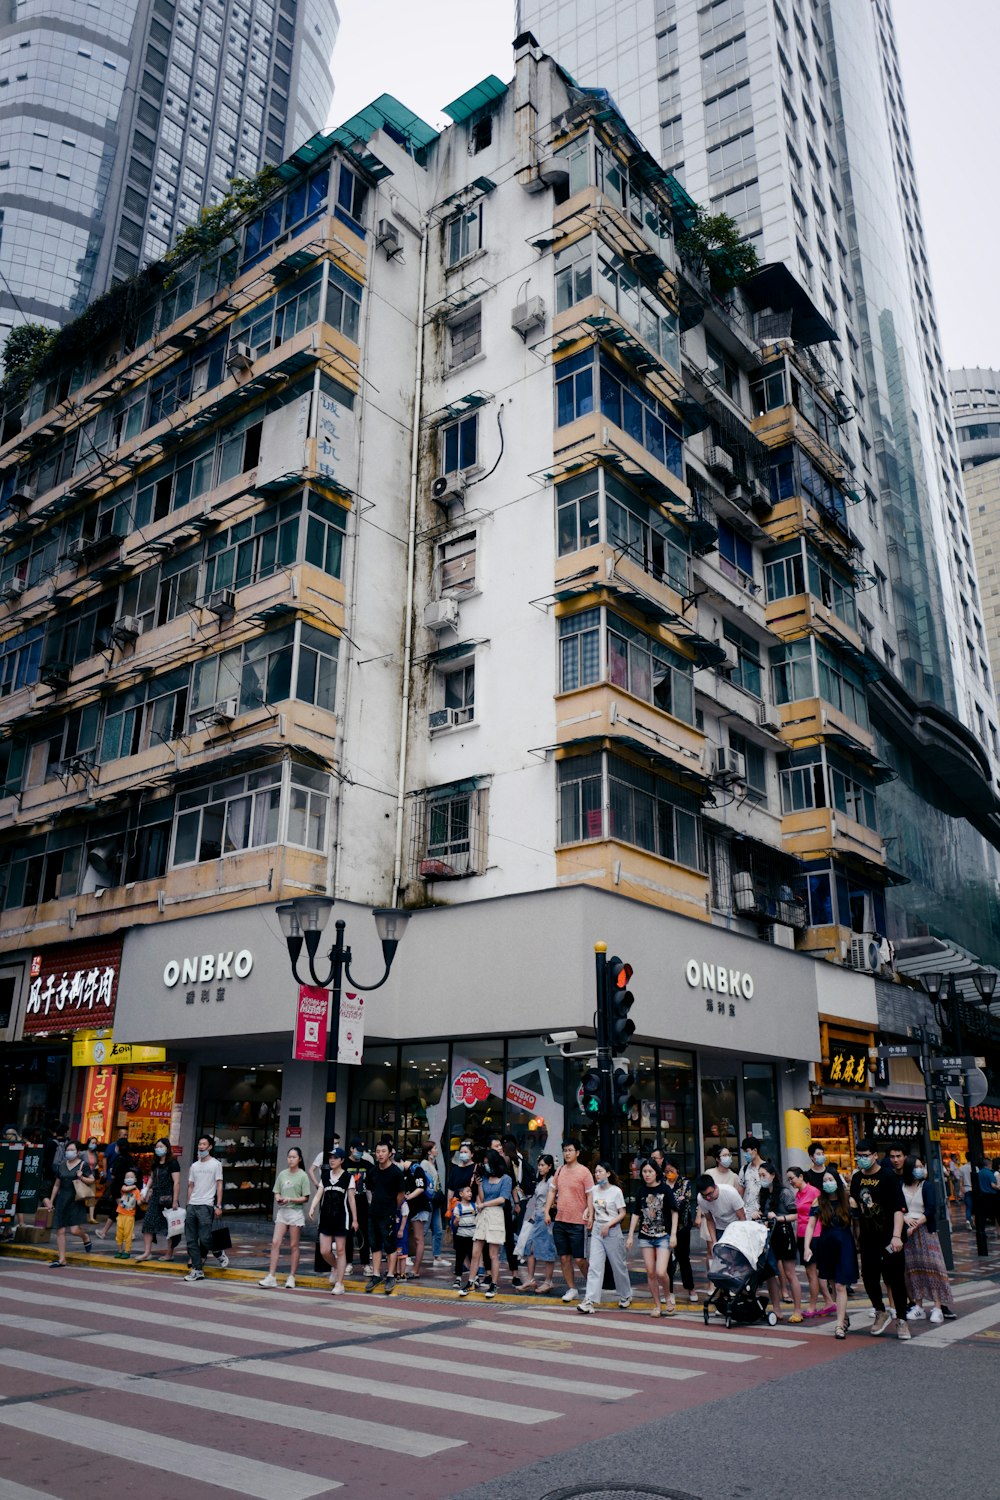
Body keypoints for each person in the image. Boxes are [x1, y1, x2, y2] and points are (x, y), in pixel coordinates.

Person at [849, 1135, 909, 1339]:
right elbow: (856, 1205)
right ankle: (880, 1311)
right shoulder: (857, 1178)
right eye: (859, 1156)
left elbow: (898, 1209)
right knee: (869, 1277)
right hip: (867, 1238)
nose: (862, 1159)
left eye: (865, 1155)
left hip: (890, 1238)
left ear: (875, 1155)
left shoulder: (888, 1177)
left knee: (895, 1279)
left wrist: (896, 1236)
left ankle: (902, 1320)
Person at [804, 1167, 858, 1338]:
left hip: (845, 1244)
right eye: (825, 1181)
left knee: (841, 1285)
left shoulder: (849, 1201)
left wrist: (859, 1245)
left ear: (838, 1181)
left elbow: (857, 1226)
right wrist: (806, 1247)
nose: (828, 1183)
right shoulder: (818, 1202)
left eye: (831, 1180)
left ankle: (839, 1325)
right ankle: (844, 1317)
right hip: (826, 1245)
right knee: (834, 1283)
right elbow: (810, 1225)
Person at [902, 1154, 953, 1324]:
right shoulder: (901, 1187)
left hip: (925, 1231)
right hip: (908, 1234)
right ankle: (918, 1306)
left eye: (921, 1165)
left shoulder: (927, 1185)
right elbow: (897, 1209)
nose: (920, 1169)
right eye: (916, 1166)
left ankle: (938, 1307)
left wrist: (916, 1223)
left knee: (934, 1268)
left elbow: (932, 1208)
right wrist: (904, 1220)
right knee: (914, 1269)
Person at [626, 1158, 678, 1316]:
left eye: (650, 1171)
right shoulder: (641, 1191)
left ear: (656, 1173)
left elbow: (674, 1211)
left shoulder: (665, 1189)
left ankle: (668, 1297)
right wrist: (630, 1236)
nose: (647, 1175)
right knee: (650, 1272)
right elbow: (635, 1214)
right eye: (644, 1172)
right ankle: (657, 1305)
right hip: (645, 1236)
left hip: (663, 1236)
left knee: (661, 1272)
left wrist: (674, 1234)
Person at [544, 1139, 594, 1303]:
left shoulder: (585, 1172)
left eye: (570, 1150)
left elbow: (590, 1196)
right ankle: (572, 1288)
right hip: (560, 1220)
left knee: (580, 1259)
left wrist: (590, 1215)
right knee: (564, 1258)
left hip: (578, 1222)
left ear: (577, 1152)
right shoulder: (559, 1171)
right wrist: (547, 1212)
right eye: (565, 1150)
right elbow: (552, 1192)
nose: (567, 1153)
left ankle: (592, 1286)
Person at [579, 1161, 632, 1314]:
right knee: (594, 1266)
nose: (597, 1174)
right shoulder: (594, 1190)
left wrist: (609, 1225)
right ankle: (589, 1300)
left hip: (612, 1231)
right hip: (597, 1230)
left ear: (608, 1174)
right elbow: (590, 1207)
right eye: (596, 1172)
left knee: (618, 1265)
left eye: (600, 1171)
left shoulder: (616, 1191)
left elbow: (622, 1213)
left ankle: (625, 1295)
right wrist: (587, 1213)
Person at [460, 1148, 512, 1299]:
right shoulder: (485, 1177)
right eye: (484, 1163)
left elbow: (503, 1199)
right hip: (483, 1215)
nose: (486, 1165)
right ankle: (471, 1281)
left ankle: (494, 1284)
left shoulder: (506, 1179)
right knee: (476, 1252)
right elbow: (481, 1198)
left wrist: (484, 1205)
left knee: (493, 1254)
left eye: (488, 1162)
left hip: (495, 1214)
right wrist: (480, 1186)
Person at [258, 1146, 310, 1289]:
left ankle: (292, 1276)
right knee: (275, 1242)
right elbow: (276, 1192)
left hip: (295, 1213)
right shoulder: (282, 1174)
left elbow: (305, 1198)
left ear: (299, 1159)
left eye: (294, 1157)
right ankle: (271, 1276)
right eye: (289, 1157)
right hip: (282, 1212)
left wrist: (290, 1199)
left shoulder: (303, 1175)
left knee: (294, 1245)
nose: (291, 1159)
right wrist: (279, 1198)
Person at [310, 1145, 357, 1294]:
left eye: (335, 1158)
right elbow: (319, 1194)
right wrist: (312, 1207)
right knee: (324, 1251)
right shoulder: (325, 1176)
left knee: (341, 1250)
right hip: (325, 1217)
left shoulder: (348, 1177)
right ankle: (336, 1267)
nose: (332, 1160)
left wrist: (355, 1219)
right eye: (330, 1157)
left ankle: (340, 1283)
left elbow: (351, 1200)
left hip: (341, 1218)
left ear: (342, 1160)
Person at [786, 1163, 832, 1318]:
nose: (790, 1182)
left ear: (801, 1177)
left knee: (812, 1272)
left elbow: (820, 1215)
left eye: (792, 1178)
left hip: (813, 1235)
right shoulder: (798, 1194)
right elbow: (799, 1216)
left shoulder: (814, 1192)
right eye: (788, 1180)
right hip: (801, 1235)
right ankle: (829, 1302)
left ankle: (812, 1306)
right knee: (812, 1272)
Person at [760, 1160, 802, 1321]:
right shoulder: (763, 1193)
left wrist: (779, 1218)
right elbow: (764, 1213)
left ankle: (797, 1310)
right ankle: (776, 1309)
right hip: (769, 1236)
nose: (761, 1178)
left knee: (790, 1273)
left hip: (784, 1234)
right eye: (760, 1176)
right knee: (770, 1273)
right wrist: (760, 1215)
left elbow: (796, 1214)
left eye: (764, 1175)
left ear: (772, 1175)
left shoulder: (784, 1193)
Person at [42, 1138, 94, 1265]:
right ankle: (62, 1259)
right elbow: (56, 1185)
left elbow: (92, 1180)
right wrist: (52, 1201)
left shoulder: (83, 1165)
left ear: (78, 1152)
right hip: (62, 1199)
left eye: (72, 1150)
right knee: (60, 1230)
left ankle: (85, 1237)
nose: (69, 1152)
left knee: (74, 1230)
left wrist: (81, 1177)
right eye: (67, 1150)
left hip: (75, 1199)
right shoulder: (62, 1165)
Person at [183, 1134, 226, 1283]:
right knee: (190, 1240)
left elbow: (219, 1185)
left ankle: (218, 1251)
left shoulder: (215, 1164)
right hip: (192, 1205)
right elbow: (190, 1186)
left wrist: (218, 1205)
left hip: (206, 1205)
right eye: (199, 1144)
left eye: (204, 1144)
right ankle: (197, 1269)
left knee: (205, 1237)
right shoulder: (194, 1166)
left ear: (210, 1147)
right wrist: (188, 1204)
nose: (201, 1147)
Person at [365, 1140, 405, 1294]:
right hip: (373, 1212)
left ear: (390, 1153)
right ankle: (376, 1275)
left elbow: (401, 1194)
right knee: (374, 1244)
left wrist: (392, 1208)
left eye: (383, 1151)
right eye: (378, 1151)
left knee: (390, 1245)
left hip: (388, 1213)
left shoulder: (396, 1172)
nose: (380, 1154)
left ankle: (390, 1275)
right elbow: (369, 1189)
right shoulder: (372, 1172)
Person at [137, 1136, 181, 1263]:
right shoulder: (155, 1163)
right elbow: (151, 1178)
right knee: (148, 1223)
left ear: (167, 1148)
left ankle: (169, 1253)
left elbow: (176, 1182)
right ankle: (147, 1252)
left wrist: (175, 1200)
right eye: (157, 1147)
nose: (159, 1149)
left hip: (168, 1197)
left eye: (161, 1146)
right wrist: (146, 1190)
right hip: (155, 1197)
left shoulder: (173, 1163)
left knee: (171, 1227)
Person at [517, 1152, 556, 1293]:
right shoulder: (541, 1181)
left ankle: (548, 1281)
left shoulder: (552, 1181)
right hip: (537, 1216)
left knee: (547, 1249)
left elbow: (553, 1200)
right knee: (530, 1247)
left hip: (547, 1218)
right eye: (539, 1165)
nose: (539, 1167)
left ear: (550, 1166)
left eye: (542, 1165)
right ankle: (530, 1279)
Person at [663, 1158, 696, 1303]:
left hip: (683, 1226)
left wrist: (673, 1202)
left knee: (684, 1258)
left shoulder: (685, 1183)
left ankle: (690, 1288)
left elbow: (683, 1202)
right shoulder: (663, 1184)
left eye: (671, 1171)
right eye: (666, 1172)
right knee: (667, 1261)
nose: (669, 1174)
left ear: (677, 1170)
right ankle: (669, 1291)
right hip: (666, 1227)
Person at [399, 1153, 431, 1279]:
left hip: (419, 1208)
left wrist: (407, 1197)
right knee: (409, 1238)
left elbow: (421, 1188)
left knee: (419, 1239)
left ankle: (416, 1270)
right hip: (409, 1210)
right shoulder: (404, 1173)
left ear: (402, 1161)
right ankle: (404, 1267)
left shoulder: (416, 1169)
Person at [696, 1173, 746, 1249]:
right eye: (704, 1196)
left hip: (737, 1225)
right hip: (720, 1227)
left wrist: (740, 1237)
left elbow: (742, 1218)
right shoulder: (701, 1199)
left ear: (715, 1187)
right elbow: (709, 1220)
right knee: (722, 1254)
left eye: (710, 1194)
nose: (708, 1198)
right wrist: (714, 1242)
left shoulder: (730, 1192)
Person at [421, 1141, 447, 1265]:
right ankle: (410, 1253)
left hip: (435, 1201)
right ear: (429, 1151)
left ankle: (437, 1257)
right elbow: (426, 1183)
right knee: (423, 1229)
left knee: (438, 1230)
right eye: (435, 1148)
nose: (437, 1150)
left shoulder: (433, 1163)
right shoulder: (425, 1164)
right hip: (429, 1200)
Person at [450, 1182, 478, 1290]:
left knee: (472, 1257)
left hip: (471, 1236)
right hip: (461, 1236)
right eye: (467, 1191)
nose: (470, 1193)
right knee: (459, 1257)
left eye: (470, 1191)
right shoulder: (458, 1207)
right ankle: (458, 1278)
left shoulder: (473, 1206)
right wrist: (456, 1221)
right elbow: (455, 1223)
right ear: (461, 1194)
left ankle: (474, 1277)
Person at [114, 1168, 143, 1259]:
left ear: (135, 1179)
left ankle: (127, 1251)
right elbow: (125, 1189)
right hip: (120, 1214)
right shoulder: (124, 1187)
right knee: (119, 1234)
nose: (129, 1178)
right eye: (127, 1177)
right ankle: (119, 1251)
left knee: (128, 1234)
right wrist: (134, 1187)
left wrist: (141, 1200)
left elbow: (139, 1202)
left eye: (131, 1177)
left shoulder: (137, 1191)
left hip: (130, 1216)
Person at [738, 1136, 765, 1220]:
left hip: (762, 1213)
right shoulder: (744, 1169)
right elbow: (740, 1193)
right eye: (744, 1151)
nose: (745, 1154)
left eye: (747, 1151)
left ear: (755, 1150)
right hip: (747, 1215)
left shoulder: (766, 1168)